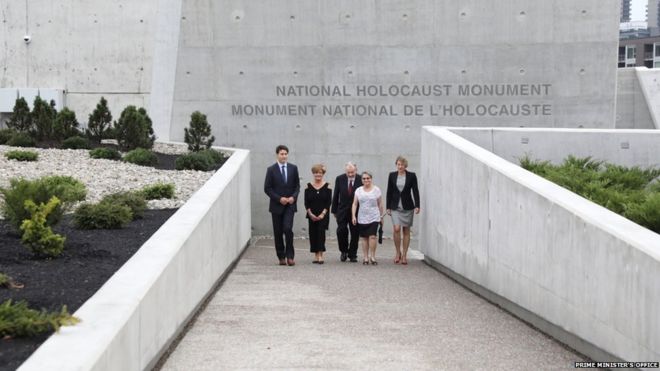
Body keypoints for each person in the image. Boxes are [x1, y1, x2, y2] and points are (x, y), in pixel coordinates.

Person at [264, 145, 300, 266]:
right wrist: (279, 199)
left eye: (285, 154)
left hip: (290, 205)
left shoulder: (293, 168)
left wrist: (293, 197)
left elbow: (297, 186)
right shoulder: (271, 170)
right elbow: (267, 188)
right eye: (282, 154)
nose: (284, 156)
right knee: (278, 231)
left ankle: (290, 256)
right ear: (277, 155)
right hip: (276, 206)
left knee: (287, 229)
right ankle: (281, 256)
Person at [386, 156, 420, 265]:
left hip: (407, 206)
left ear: (405, 165)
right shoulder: (392, 175)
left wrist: (417, 205)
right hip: (395, 206)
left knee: (406, 230)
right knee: (396, 229)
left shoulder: (411, 176)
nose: (400, 166)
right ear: (396, 165)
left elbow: (415, 191)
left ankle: (405, 255)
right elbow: (389, 191)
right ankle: (397, 253)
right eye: (398, 164)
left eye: (402, 165)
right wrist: (388, 207)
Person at [331, 162, 362, 262]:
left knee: (355, 232)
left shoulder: (361, 179)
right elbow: (336, 195)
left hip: (356, 211)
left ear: (356, 170)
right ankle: (343, 251)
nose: (350, 174)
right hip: (342, 210)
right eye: (348, 172)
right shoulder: (339, 179)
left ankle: (353, 254)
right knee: (341, 230)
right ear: (345, 171)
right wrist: (334, 211)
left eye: (352, 172)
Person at [351, 171, 384, 265]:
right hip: (362, 216)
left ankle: (372, 256)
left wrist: (381, 216)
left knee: (372, 236)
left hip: (374, 216)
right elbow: (355, 204)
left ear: (371, 179)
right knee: (364, 237)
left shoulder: (376, 189)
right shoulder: (358, 190)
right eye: (364, 178)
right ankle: (365, 257)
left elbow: (380, 204)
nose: (366, 180)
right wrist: (353, 216)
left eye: (368, 178)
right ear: (361, 180)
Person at [304, 164, 332, 264]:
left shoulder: (328, 185)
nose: (318, 175)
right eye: (316, 173)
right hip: (312, 215)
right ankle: (315, 254)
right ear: (313, 173)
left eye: (320, 173)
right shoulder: (308, 186)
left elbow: (329, 202)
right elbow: (306, 203)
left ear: (323, 174)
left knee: (321, 233)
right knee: (313, 234)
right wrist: (310, 214)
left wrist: (322, 214)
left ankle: (320, 255)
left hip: (323, 215)